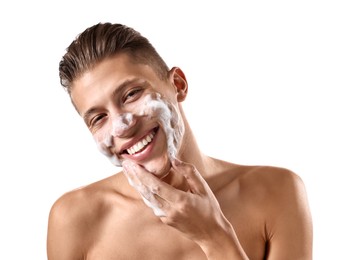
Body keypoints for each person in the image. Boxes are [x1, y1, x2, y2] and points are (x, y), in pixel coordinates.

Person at [47, 22, 313, 260]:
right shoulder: (74, 220)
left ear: (178, 84)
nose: (121, 127)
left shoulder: (276, 193)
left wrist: (216, 238)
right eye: (99, 118)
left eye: (131, 94)